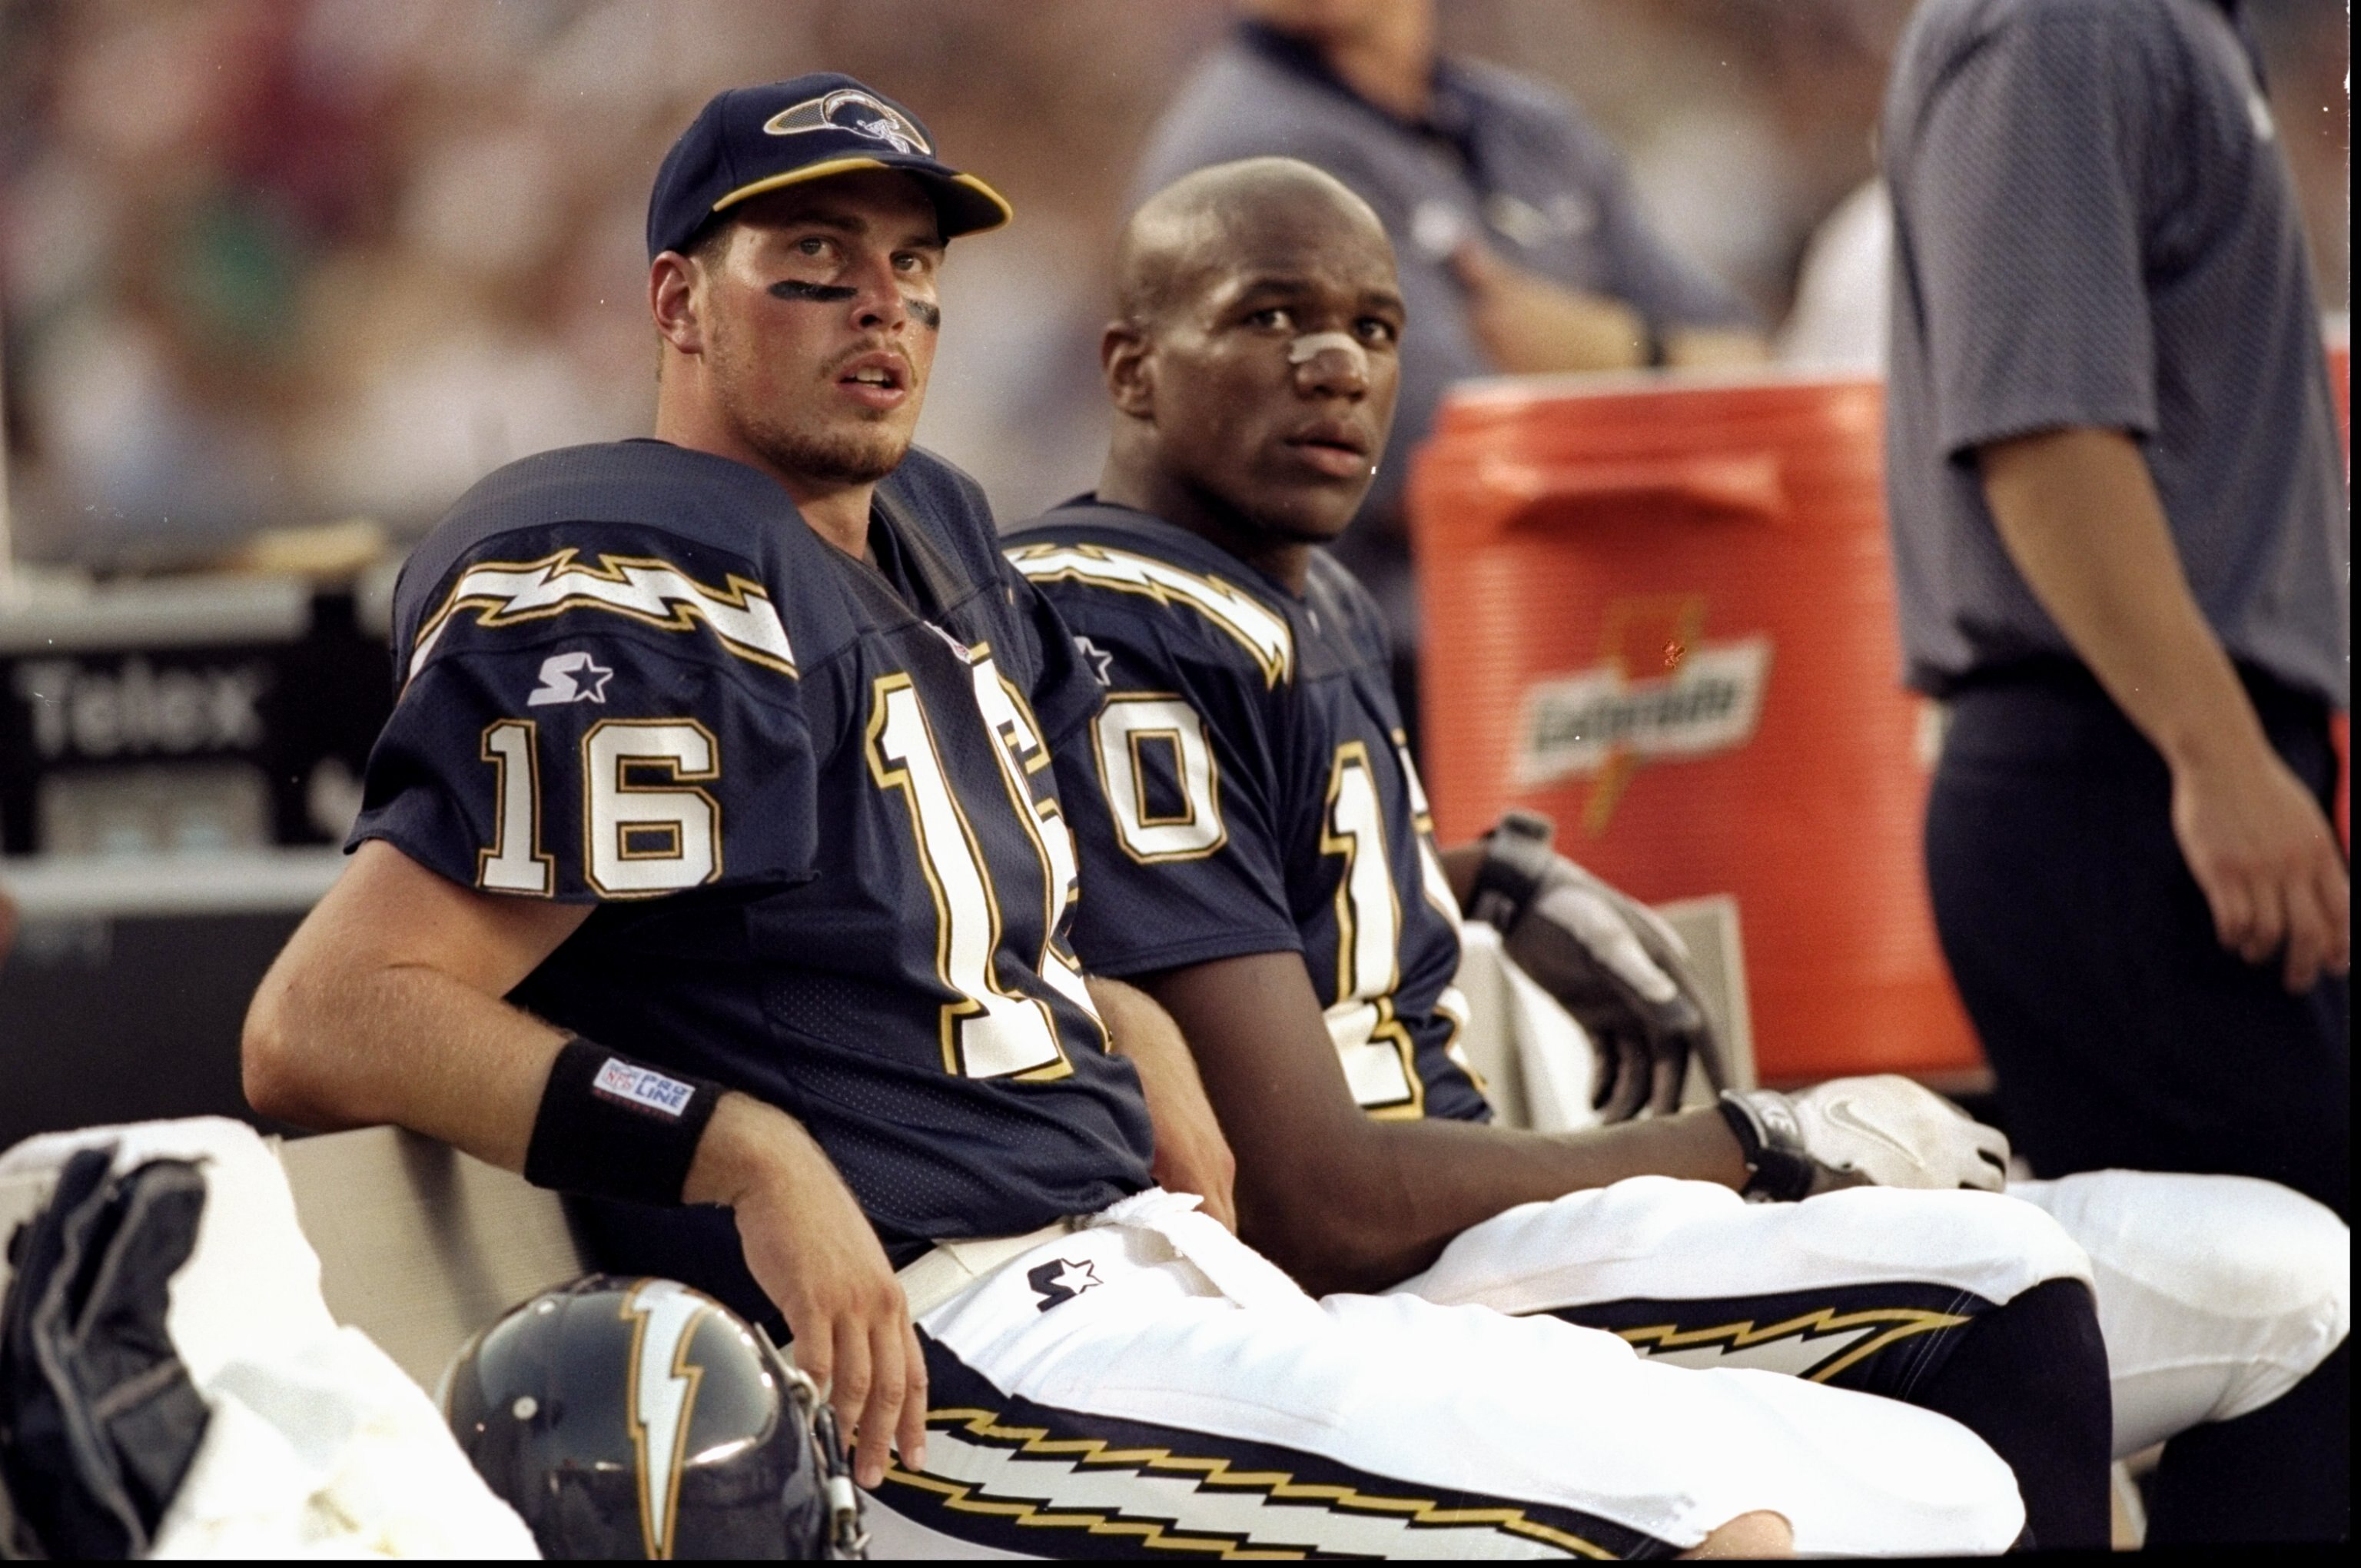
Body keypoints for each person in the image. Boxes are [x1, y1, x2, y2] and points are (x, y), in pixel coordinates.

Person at [241, 75, 2030, 1560]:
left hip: (1149, 1262)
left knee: (1931, 1486)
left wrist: (1134, 1003)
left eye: (911, 266)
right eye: (811, 261)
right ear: (672, 299)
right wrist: (736, 1147)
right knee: (1686, 1519)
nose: (883, 306)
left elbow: (930, 910)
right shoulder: (626, 566)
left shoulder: (936, 530)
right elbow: (329, 1016)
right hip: (942, 1344)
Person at [1008, 156, 2352, 1551]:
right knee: (1998, 1293)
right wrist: (1751, 1141)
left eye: (1375, 327)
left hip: (1453, 1213)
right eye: (1269, 317)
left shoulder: (1300, 590)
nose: (1337, 363)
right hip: (1364, 1285)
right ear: (1131, 367)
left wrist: (1495, 877)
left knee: (2295, 1266)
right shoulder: (1119, 622)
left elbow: (1265, 888)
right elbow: (1316, 1199)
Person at [1131, 0, 1766, 739]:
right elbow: (1434, 464)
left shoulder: (1530, 127)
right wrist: (1664, 393)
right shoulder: (1240, 152)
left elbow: (1756, 376)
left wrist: (1605, 351)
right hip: (1352, 706)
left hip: (1579, 665)